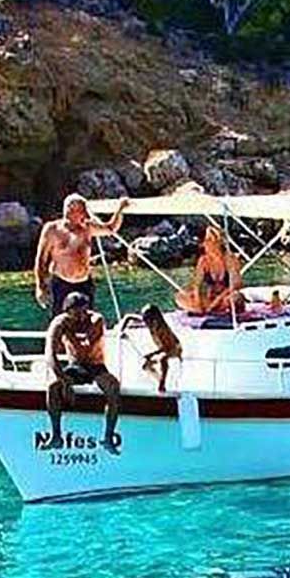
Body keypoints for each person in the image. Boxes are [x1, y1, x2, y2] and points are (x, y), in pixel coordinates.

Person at [44, 292, 122, 453]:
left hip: (95, 366)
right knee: (53, 387)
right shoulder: (59, 323)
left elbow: (85, 349)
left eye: (84, 312)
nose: (81, 317)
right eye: (76, 313)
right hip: (76, 366)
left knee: (113, 387)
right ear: (68, 311)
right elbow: (50, 354)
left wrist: (69, 334)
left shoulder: (96, 320)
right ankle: (56, 435)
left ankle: (108, 437)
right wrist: (64, 381)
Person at [34, 194, 126, 315]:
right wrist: (40, 286)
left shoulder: (87, 227)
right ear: (70, 210)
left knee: (87, 319)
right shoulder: (52, 230)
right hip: (61, 283)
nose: (87, 215)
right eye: (83, 211)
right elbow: (41, 259)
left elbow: (110, 228)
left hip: (84, 283)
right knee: (62, 319)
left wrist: (120, 209)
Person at [177, 226, 242, 316]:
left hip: (225, 297)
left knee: (235, 297)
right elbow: (197, 285)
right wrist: (198, 302)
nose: (207, 245)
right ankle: (201, 310)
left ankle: (211, 311)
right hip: (210, 297)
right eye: (207, 241)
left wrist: (215, 302)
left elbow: (235, 285)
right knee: (180, 296)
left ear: (219, 243)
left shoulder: (230, 259)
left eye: (211, 241)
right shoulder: (204, 261)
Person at [135, 303, 183, 394]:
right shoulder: (151, 326)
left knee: (163, 359)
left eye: (147, 318)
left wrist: (152, 354)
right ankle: (160, 380)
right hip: (164, 348)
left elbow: (167, 347)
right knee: (146, 366)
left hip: (174, 348)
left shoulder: (161, 329)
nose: (145, 321)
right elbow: (132, 318)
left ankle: (162, 383)